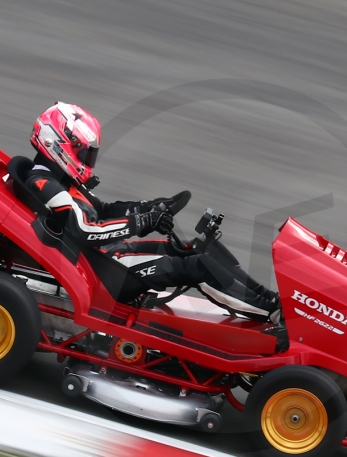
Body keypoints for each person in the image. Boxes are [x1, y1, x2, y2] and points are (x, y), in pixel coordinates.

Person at [25, 101, 280, 322]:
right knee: (197, 265)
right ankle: (269, 313)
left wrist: (150, 207)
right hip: (105, 272)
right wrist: (143, 221)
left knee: (201, 247)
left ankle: (271, 301)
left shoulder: (60, 181)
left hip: (111, 258)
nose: (87, 160)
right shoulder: (44, 184)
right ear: (56, 142)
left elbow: (102, 211)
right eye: (83, 153)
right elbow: (86, 230)